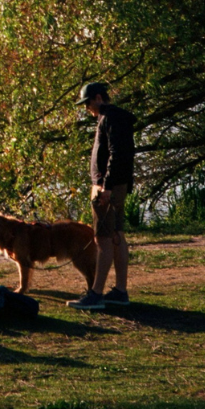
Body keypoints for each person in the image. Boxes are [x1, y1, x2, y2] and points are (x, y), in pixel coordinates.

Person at [67, 82, 135, 311]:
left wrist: (105, 187)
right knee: (116, 235)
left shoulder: (110, 118)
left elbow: (117, 154)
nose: (87, 109)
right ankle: (120, 291)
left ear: (97, 98)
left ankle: (96, 294)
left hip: (108, 188)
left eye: (87, 103)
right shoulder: (113, 118)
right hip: (114, 186)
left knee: (103, 239)